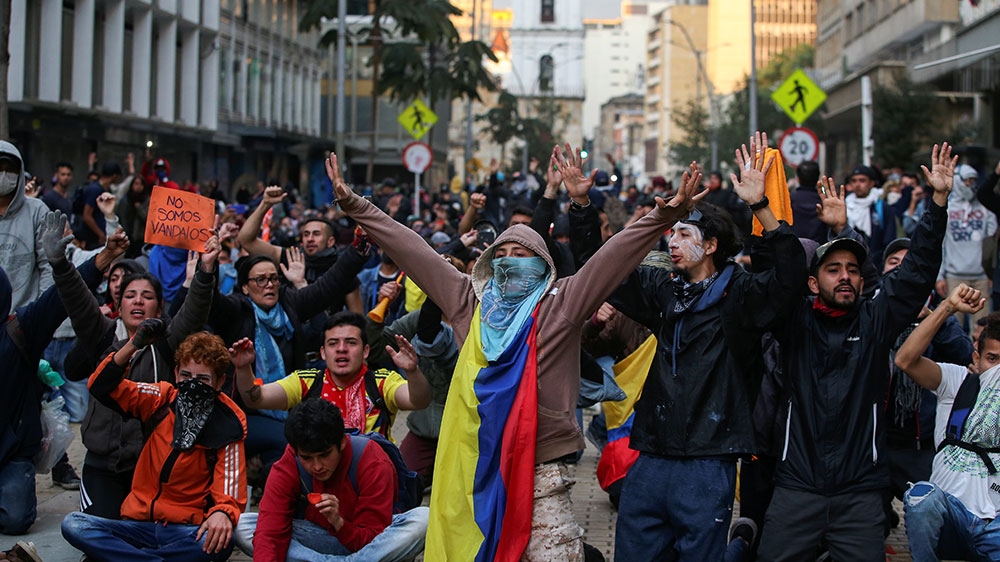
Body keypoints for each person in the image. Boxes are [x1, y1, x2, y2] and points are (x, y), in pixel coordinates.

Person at [327, 141, 708, 561]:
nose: (509, 261)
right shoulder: (467, 301)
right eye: (501, 255)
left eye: (521, 254)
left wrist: (663, 216)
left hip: (541, 466)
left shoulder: (562, 303)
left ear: (542, 265)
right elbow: (411, 249)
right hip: (474, 459)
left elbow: (613, 257)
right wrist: (356, 206)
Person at [609, 133, 806, 561]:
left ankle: (739, 546)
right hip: (651, 454)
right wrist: (584, 209)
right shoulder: (663, 289)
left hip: (710, 459)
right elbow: (604, 271)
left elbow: (790, 279)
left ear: (711, 245)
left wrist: (761, 207)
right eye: (670, 234)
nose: (672, 242)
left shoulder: (742, 295)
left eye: (684, 233)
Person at [757, 143, 956, 561]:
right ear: (814, 284)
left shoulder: (875, 319)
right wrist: (761, 207)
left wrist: (938, 202)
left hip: (861, 492)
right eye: (833, 269)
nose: (845, 276)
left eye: (852, 269)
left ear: (863, 281)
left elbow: (917, 271)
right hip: (797, 487)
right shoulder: (794, 320)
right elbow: (779, 271)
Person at [64, 232, 220, 519]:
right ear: (118, 304)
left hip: (153, 466)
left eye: (147, 297)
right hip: (103, 466)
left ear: (158, 308)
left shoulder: (167, 342)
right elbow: (77, 301)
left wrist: (206, 268)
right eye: (130, 296)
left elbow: (194, 310)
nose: (138, 301)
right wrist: (60, 265)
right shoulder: (102, 336)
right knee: (90, 531)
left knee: (148, 533)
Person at [61, 331, 247, 561]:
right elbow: (101, 385)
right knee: (74, 524)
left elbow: (229, 491)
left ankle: (128, 558)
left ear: (219, 381)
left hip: (185, 529)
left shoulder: (229, 421)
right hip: (138, 523)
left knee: (220, 542)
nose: (192, 384)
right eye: (186, 375)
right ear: (176, 373)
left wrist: (223, 513)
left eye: (202, 379)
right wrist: (133, 345)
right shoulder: (162, 398)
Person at [0, 212, 127, 536]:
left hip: (12, 452)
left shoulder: (19, 329)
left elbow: (60, 297)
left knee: (15, 519)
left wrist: (105, 257)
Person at [234, 398, 429, 561]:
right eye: (307, 458)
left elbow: (373, 537)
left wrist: (339, 522)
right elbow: (270, 530)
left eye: (325, 455)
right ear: (295, 450)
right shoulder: (290, 461)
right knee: (243, 525)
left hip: (367, 542)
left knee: (423, 519)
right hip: (317, 538)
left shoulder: (372, 460)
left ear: (342, 442)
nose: (317, 466)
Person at [892, 284, 1000, 561]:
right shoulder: (957, 382)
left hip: (995, 528)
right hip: (950, 518)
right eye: (992, 359)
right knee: (921, 497)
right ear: (976, 359)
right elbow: (905, 360)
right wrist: (947, 308)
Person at [234, 311, 430, 440]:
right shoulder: (306, 381)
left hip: (373, 477)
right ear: (322, 352)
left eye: (351, 342)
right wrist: (243, 368)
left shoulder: (382, 382)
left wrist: (412, 371)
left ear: (366, 351)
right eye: (333, 343)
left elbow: (418, 401)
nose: (341, 349)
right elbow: (256, 399)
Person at [936, 163, 996, 334]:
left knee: (981, 329)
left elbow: (991, 241)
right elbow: (941, 244)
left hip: (981, 276)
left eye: (973, 181)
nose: (971, 185)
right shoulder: (947, 208)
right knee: (952, 327)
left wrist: (991, 272)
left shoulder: (984, 209)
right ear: (958, 181)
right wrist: (940, 276)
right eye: (967, 181)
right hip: (955, 275)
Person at [844, 163, 910, 265]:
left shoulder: (882, 207)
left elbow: (889, 239)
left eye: (862, 180)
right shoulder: (845, 206)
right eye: (854, 181)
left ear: (871, 183)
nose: (857, 184)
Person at [789, 160, 826, 244]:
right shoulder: (825, 201)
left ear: (798, 179)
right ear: (818, 178)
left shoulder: (790, 199)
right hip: (820, 248)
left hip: (794, 247)